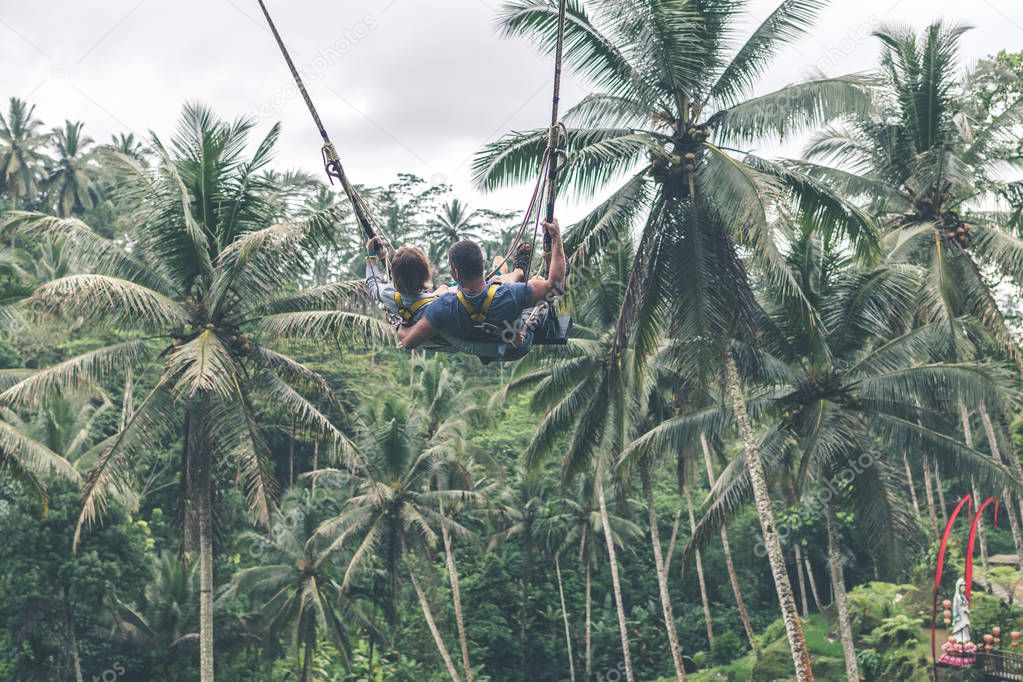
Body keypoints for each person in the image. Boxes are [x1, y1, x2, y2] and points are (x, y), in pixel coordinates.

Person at [396, 219, 567, 358]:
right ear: (482, 264)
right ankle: (518, 271)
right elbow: (556, 286)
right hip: (515, 346)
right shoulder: (512, 295)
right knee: (529, 284)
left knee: (497, 283)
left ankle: (515, 272)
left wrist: (399, 326)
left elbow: (409, 342)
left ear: (455, 272)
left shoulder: (443, 307)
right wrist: (556, 238)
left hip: (481, 347)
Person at [365, 238, 533, 358]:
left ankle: (503, 273)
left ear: (394, 276)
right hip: (460, 334)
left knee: (450, 286)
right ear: (426, 274)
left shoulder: (390, 297)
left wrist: (371, 257)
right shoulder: (442, 304)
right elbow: (473, 295)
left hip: (438, 341)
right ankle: (516, 272)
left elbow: (372, 283)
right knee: (493, 283)